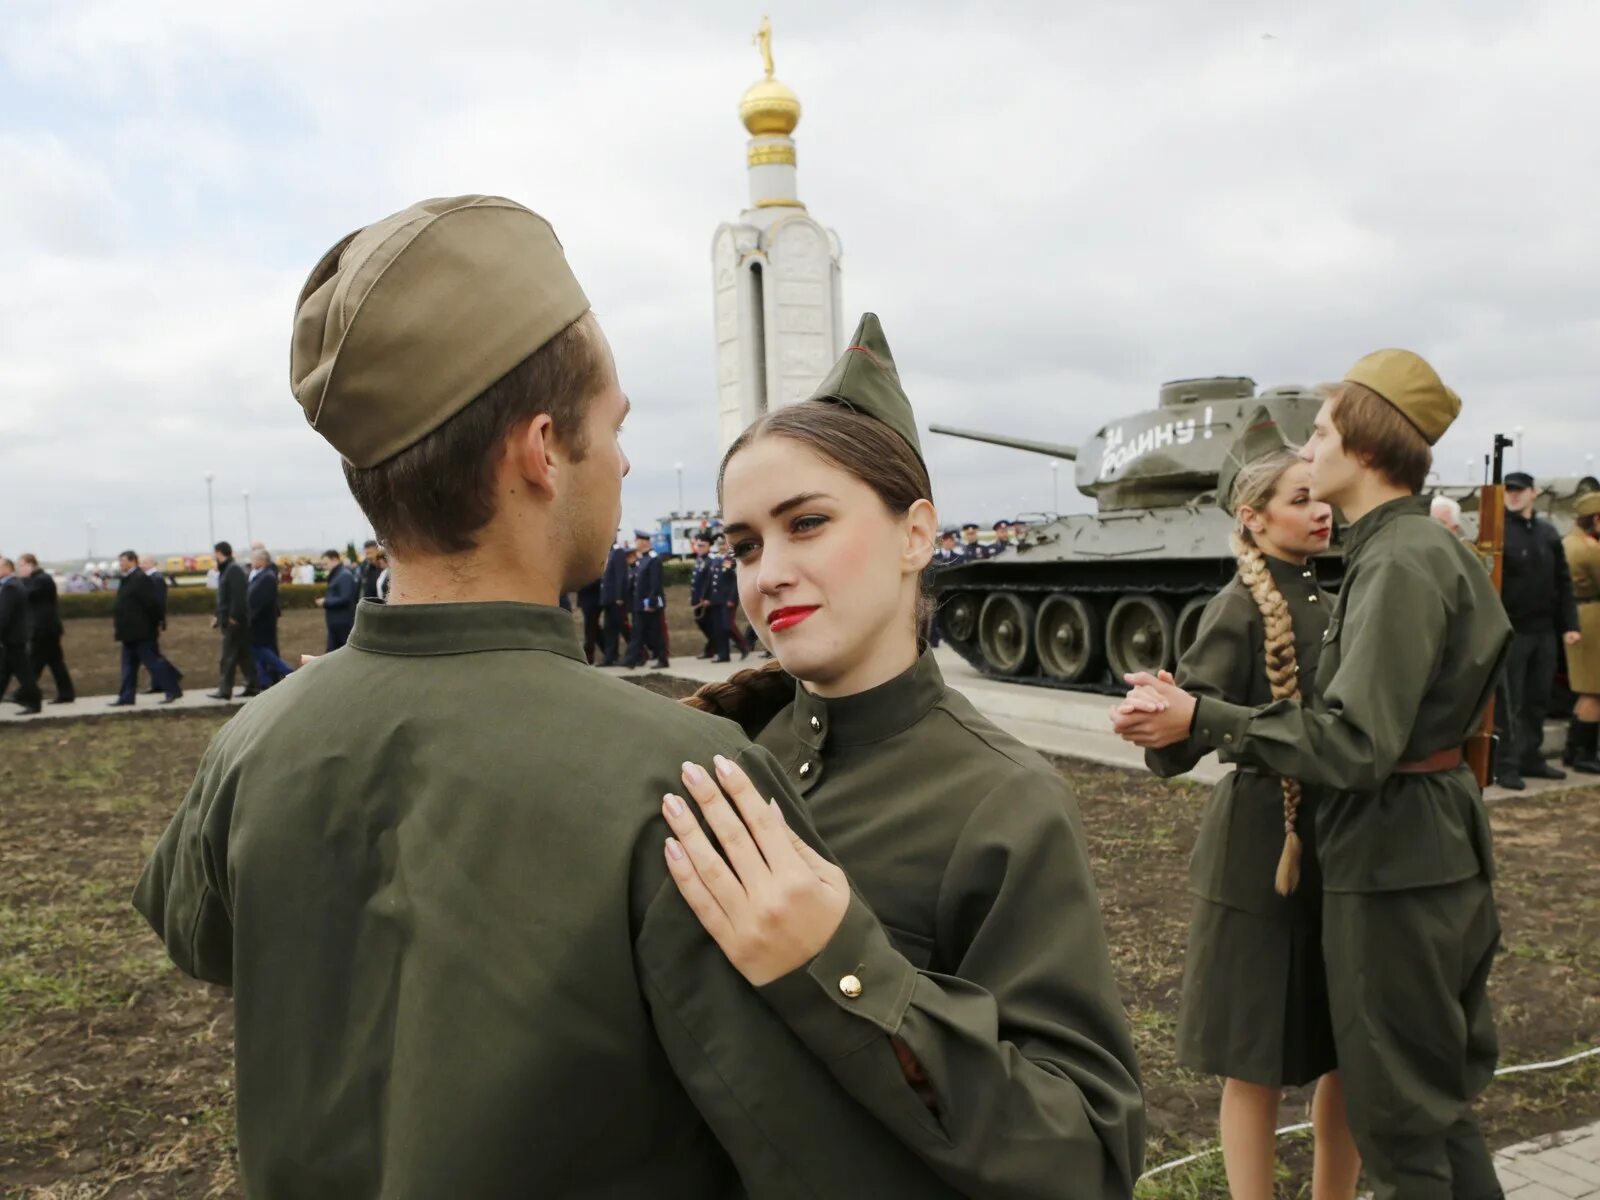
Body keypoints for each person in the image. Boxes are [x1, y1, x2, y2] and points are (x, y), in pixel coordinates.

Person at [135, 194, 953, 1198]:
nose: (621, 461)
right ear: (538, 452)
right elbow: (821, 1151)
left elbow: (200, 937)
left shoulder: (253, 746)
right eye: (611, 427)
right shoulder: (688, 782)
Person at [670, 314, 1144, 1197]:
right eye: (742, 544)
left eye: (806, 523)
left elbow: (1083, 1153)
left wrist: (847, 964)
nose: (766, 570)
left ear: (917, 535)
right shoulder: (722, 761)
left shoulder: (1003, 803)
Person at [1112, 349, 1511, 1200]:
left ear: (1363, 448)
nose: (1313, 444)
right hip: (1411, 845)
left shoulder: (1398, 563)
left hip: (1397, 855)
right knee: (1424, 1113)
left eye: (1325, 430)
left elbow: (1358, 744)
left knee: (1407, 1126)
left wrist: (1201, 718)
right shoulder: (1402, 555)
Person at [1141, 413, 1358, 1200]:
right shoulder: (1235, 610)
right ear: (1254, 517)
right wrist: (1163, 713)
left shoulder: (1337, 597)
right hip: (1260, 857)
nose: (1320, 510)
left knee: (1345, 1048)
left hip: (1341, 843)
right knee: (1255, 1052)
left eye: (1321, 497)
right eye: (1301, 500)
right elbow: (1174, 747)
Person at [1494, 471, 1580, 788]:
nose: (1513, 496)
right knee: (1510, 703)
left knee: (1537, 700)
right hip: (1513, 631)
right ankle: (1506, 765)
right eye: (1509, 491)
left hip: (1544, 632)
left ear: (1533, 493)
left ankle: (1531, 758)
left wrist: (1569, 624)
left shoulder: (1547, 533)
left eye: (1519, 491)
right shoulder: (1498, 531)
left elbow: (1563, 580)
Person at [111, 550, 182, 706]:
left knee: (153, 663)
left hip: (141, 632)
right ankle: (126, 697)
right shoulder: (129, 579)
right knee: (128, 667)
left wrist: (157, 623)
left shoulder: (141, 579)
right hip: (129, 633)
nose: (120, 564)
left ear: (132, 561)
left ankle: (172, 689)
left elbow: (152, 605)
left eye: (122, 561)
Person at [1561, 492, 1600, 773]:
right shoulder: (1590, 549)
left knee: (1585, 687)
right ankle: (1584, 754)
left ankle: (1573, 750)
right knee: (1594, 689)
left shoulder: (1568, 542)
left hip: (1576, 616)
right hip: (1592, 620)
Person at [17, 555, 74, 704]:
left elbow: (27, 594)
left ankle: (24, 693)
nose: (20, 569)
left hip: (44, 629)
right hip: (44, 629)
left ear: (31, 565)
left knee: (35, 662)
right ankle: (66, 693)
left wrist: (21, 580)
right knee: (53, 663)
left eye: (22, 565)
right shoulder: (36, 580)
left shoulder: (42, 580)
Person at [207, 541, 259, 701]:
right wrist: (218, 616)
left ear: (219, 553)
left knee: (228, 657)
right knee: (244, 655)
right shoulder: (227, 570)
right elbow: (225, 598)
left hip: (235, 622)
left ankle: (224, 690)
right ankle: (253, 685)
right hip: (230, 620)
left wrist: (234, 617)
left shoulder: (233, 570)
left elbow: (239, 596)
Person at [0, 557, 43, 714]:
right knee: (4, 672)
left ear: (6, 569)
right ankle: (33, 701)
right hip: (13, 637)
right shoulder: (12, 585)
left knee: (24, 674)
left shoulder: (10, 587)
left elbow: (4, 615)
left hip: (13, 637)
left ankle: (34, 702)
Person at [247, 548, 293, 688]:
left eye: (253, 559)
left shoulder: (267, 577)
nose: (251, 562)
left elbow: (262, 602)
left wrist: (250, 617)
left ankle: (289, 672)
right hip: (258, 621)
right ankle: (264, 681)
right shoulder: (261, 575)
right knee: (258, 651)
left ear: (262, 561)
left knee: (262, 651)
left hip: (262, 622)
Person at [139, 555, 184, 696]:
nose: (141, 565)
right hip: (150, 622)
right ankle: (158, 683)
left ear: (151, 563)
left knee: (152, 655)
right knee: (153, 653)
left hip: (152, 622)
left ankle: (172, 674)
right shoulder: (151, 578)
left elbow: (159, 602)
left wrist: (159, 621)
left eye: (143, 562)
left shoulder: (156, 579)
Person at [623, 530, 668, 668]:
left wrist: (652, 602)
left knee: (656, 632)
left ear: (644, 543)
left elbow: (655, 584)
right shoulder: (643, 559)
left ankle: (662, 659)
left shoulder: (654, 559)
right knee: (638, 632)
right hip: (640, 604)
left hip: (649, 604)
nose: (635, 544)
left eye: (637, 541)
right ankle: (631, 660)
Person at [314, 549, 357, 650]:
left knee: (343, 654)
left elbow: (345, 598)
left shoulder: (344, 575)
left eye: (326, 564)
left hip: (343, 623)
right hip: (336, 623)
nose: (324, 567)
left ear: (335, 559)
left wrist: (326, 602)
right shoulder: (337, 575)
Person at [597, 541, 631, 666]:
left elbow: (620, 575)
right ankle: (610, 657)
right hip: (608, 599)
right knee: (609, 629)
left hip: (616, 599)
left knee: (622, 627)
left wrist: (619, 595)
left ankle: (638, 653)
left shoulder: (618, 552)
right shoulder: (609, 553)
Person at [690, 534, 716, 657]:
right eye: (698, 545)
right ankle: (711, 648)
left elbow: (710, 583)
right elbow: (696, 581)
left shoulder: (710, 560)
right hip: (697, 599)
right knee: (702, 623)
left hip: (705, 600)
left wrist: (708, 598)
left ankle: (711, 649)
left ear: (709, 546)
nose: (699, 547)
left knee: (709, 626)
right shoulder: (700, 559)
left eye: (702, 545)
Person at [574, 575, 603, 663]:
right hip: (586, 601)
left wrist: (579, 585)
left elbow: (596, 582)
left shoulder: (593, 572)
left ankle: (588, 657)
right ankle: (608, 651)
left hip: (592, 602)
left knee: (590, 629)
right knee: (594, 628)